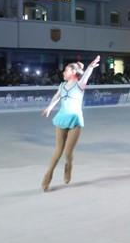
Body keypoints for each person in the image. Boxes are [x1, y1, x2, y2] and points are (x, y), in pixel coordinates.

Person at [40, 55, 101, 192]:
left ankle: (68, 165)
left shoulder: (80, 85)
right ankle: (48, 174)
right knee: (58, 150)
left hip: (75, 119)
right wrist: (49, 108)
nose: (63, 72)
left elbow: (86, 75)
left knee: (68, 152)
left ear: (73, 72)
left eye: (66, 70)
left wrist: (90, 67)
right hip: (62, 118)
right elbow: (56, 97)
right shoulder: (62, 85)